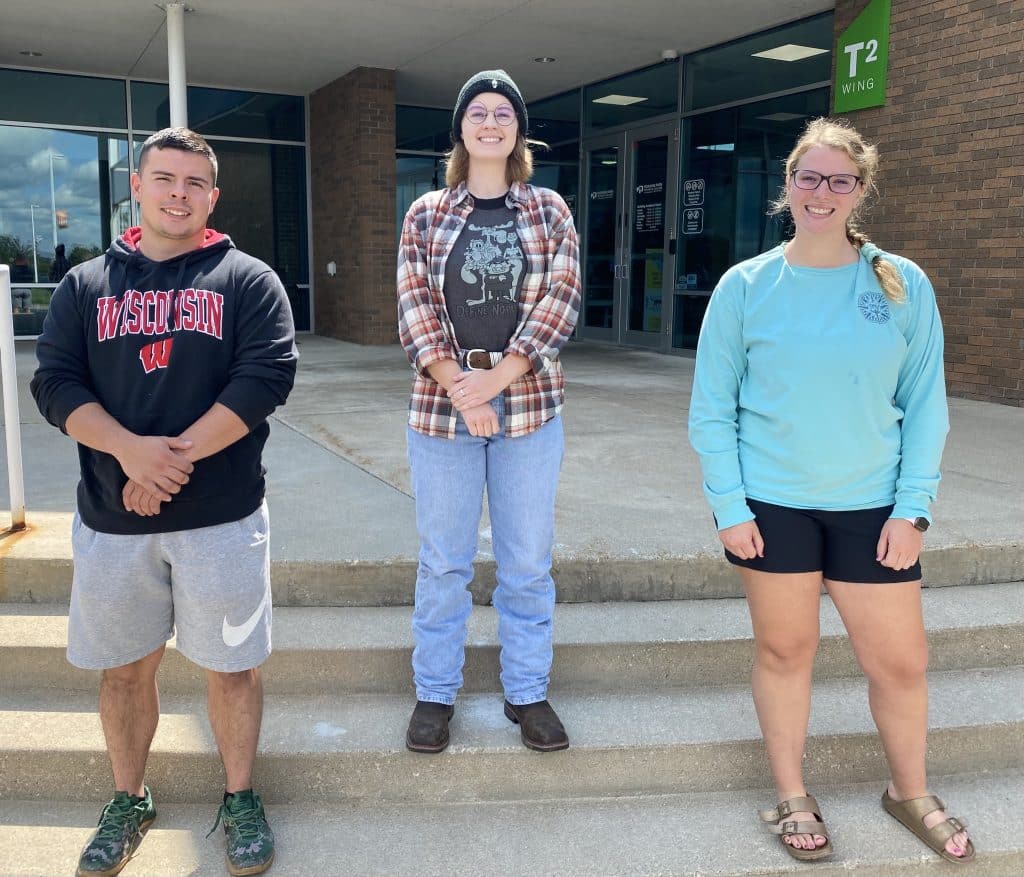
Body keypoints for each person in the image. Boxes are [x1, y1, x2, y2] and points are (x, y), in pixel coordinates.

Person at [688, 117, 973, 865]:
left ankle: (908, 790)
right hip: (772, 505)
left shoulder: (901, 282)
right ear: (787, 186)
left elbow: (927, 404)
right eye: (808, 178)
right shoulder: (745, 287)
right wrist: (729, 506)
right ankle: (790, 792)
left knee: (901, 661)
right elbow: (712, 408)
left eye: (839, 181)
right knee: (786, 649)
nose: (822, 193)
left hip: (874, 508)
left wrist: (914, 508)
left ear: (860, 190)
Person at [31, 127, 297, 877]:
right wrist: (129, 452)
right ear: (138, 187)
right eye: (164, 177)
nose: (178, 192)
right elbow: (55, 383)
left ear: (212, 196)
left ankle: (239, 796)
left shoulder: (246, 280)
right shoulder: (86, 285)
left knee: (233, 669)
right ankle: (128, 797)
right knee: (123, 671)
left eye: (194, 182)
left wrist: (165, 461)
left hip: (222, 518)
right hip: (114, 523)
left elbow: (264, 379)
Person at [397, 70, 581, 755]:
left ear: (517, 132)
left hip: (529, 406)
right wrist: (460, 386)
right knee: (444, 561)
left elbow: (561, 299)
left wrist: (498, 380)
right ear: (461, 130)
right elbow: (413, 307)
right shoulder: (426, 215)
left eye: (504, 112)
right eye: (478, 111)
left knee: (526, 561)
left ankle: (526, 691)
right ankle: (435, 693)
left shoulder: (549, 210)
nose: (491, 121)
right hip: (442, 413)